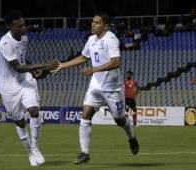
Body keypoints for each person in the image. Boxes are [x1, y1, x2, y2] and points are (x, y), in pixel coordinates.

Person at [52, 12, 139, 164]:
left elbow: (116, 62)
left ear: (105, 26)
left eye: (97, 23)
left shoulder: (111, 39)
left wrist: (93, 70)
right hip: (96, 85)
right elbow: (83, 57)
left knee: (120, 120)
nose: (93, 24)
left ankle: (131, 137)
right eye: (92, 22)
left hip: (113, 88)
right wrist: (63, 65)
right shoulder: (91, 39)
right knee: (85, 114)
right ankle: (84, 153)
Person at [0, 10, 59, 166]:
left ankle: (36, 147)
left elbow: (23, 60)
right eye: (20, 26)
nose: (24, 28)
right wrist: (43, 65)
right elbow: (17, 67)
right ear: (9, 26)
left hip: (25, 81)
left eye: (24, 24)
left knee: (34, 111)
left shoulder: (24, 38)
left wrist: (33, 69)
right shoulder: (5, 43)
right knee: (19, 122)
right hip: (8, 87)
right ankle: (30, 151)